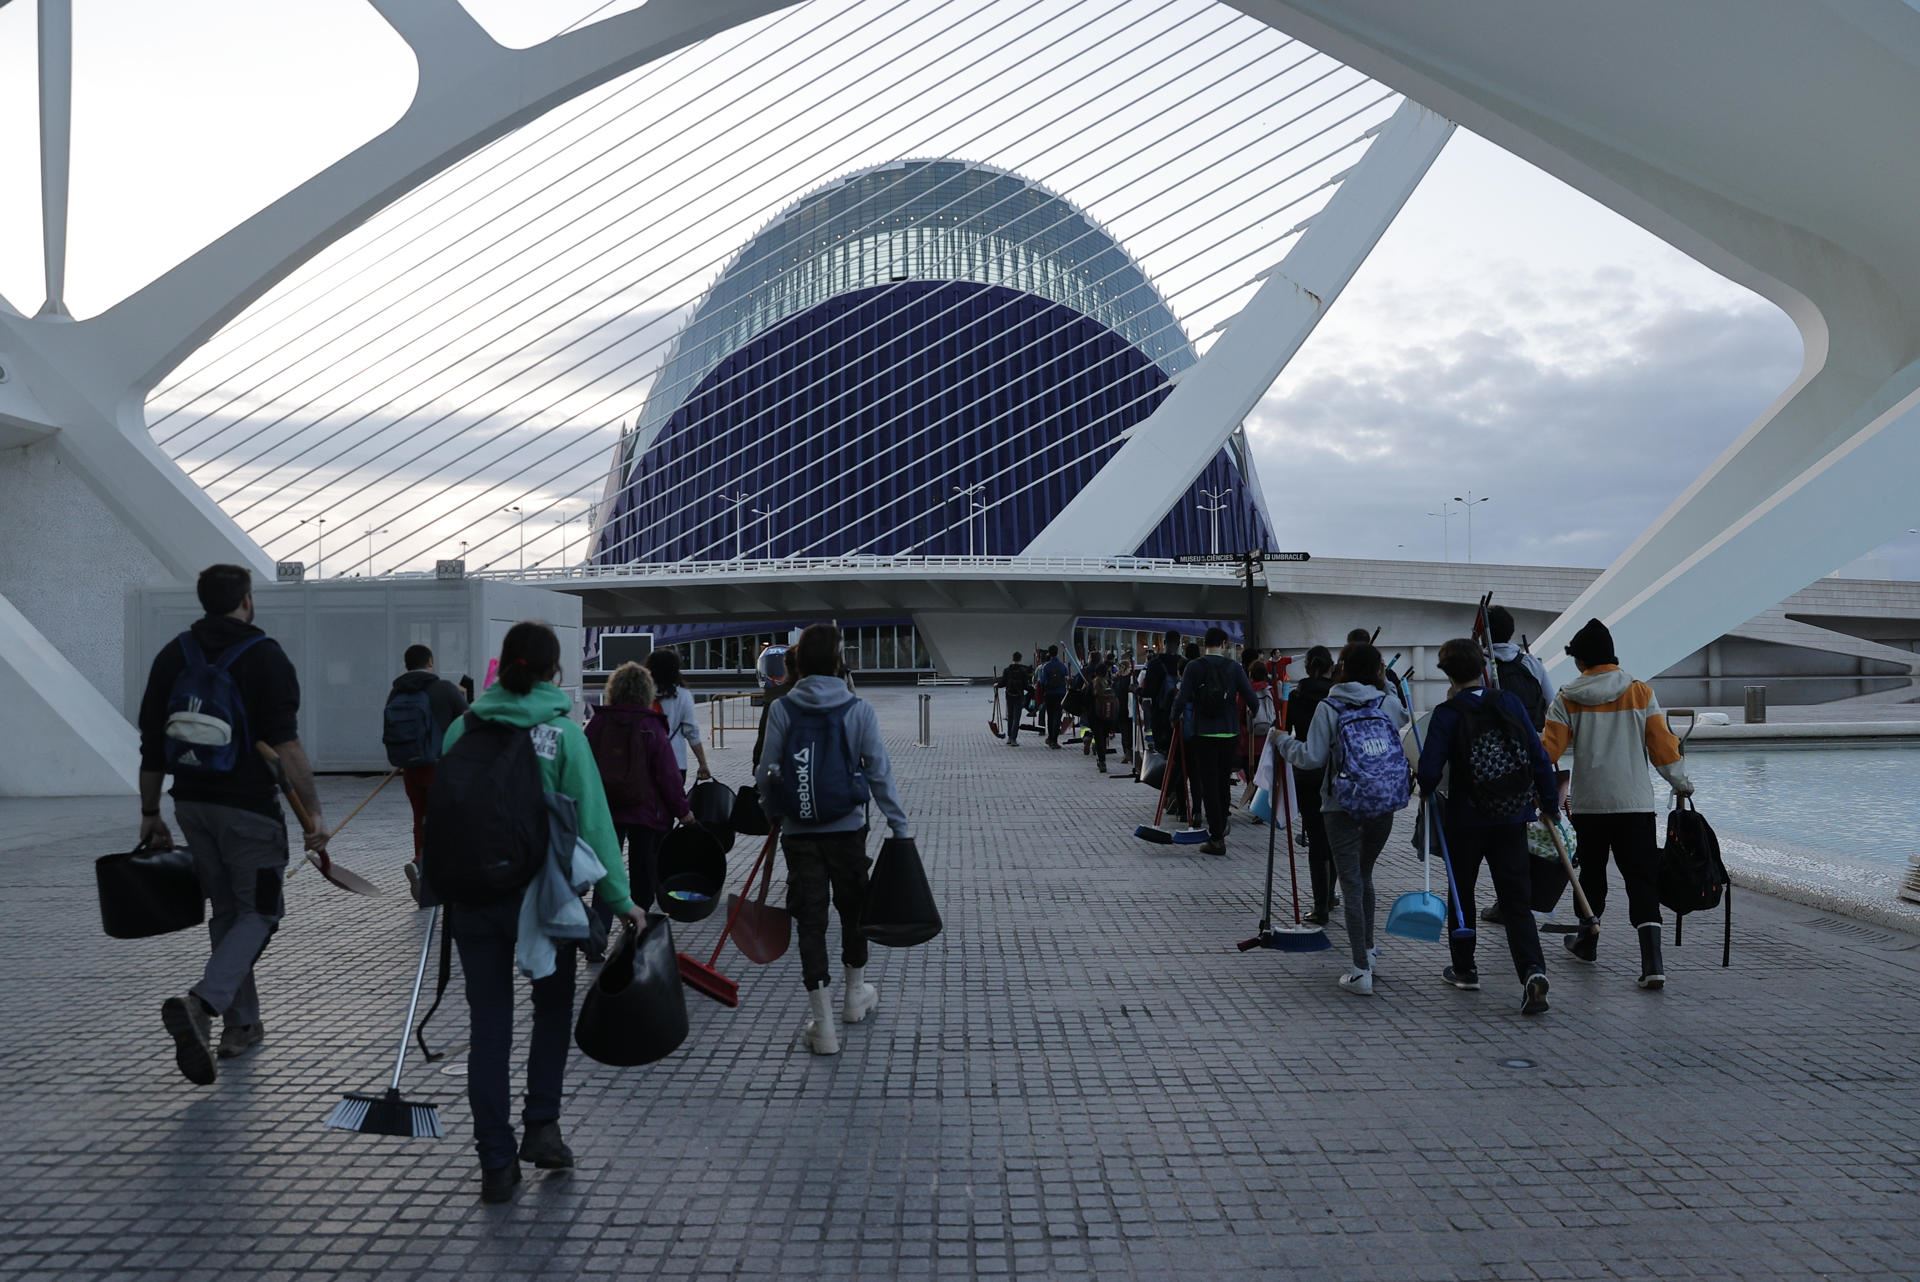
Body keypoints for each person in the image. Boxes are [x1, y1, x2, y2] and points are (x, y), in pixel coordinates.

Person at [438, 621, 640, 1202]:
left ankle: (496, 1163)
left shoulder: (461, 728)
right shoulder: (562, 735)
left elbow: (448, 813)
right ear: (555, 673)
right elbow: (596, 825)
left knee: (488, 1029)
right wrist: (621, 903)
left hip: (473, 899)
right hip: (544, 901)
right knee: (550, 1011)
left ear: (504, 665)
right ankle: (543, 1128)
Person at [136, 564, 326, 1083]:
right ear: (246, 600)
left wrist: (151, 812)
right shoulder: (264, 656)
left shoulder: (175, 654)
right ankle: (203, 1003)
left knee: (227, 911)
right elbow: (285, 745)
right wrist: (313, 816)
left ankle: (242, 1025)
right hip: (248, 811)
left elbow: (152, 741)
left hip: (192, 804)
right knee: (260, 912)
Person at [753, 623, 912, 1056]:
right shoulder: (857, 709)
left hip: (799, 832)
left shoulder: (785, 709)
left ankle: (822, 1025)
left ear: (800, 663)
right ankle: (854, 997)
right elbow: (879, 772)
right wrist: (900, 826)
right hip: (847, 829)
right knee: (853, 911)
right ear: (840, 662)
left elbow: (766, 771)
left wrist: (773, 812)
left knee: (811, 921)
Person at [1542, 618, 1694, 989]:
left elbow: (1548, 752)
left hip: (1591, 805)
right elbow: (1662, 747)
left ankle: (1587, 940)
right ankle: (1652, 963)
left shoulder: (1566, 697)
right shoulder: (1640, 692)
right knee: (1641, 878)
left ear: (1581, 661)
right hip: (1634, 804)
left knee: (1591, 875)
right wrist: (1682, 784)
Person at [1415, 639, 1560, 1014]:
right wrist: (1548, 803)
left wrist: (1424, 786)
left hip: (1466, 818)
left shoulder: (1448, 714)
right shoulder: (1509, 702)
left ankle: (1464, 969)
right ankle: (1531, 971)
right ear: (1482, 668)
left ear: (1448, 673)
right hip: (1512, 815)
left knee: (1461, 891)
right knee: (1516, 902)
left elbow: (1429, 771)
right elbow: (1539, 756)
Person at [1273, 643, 1410, 995]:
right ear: (1378, 668)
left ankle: (1360, 969)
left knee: (1349, 880)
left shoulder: (1329, 706)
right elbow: (1405, 721)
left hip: (1340, 804)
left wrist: (1280, 742)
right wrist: (1387, 682)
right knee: (1365, 876)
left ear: (1343, 668)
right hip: (1382, 803)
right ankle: (1368, 950)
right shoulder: (1387, 703)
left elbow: (1312, 758)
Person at [585, 661, 691, 939]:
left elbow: (584, 769)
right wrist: (684, 812)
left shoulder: (597, 723)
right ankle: (636, 931)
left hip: (607, 811)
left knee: (606, 873)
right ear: (646, 691)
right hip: (647, 814)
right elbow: (668, 775)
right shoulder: (650, 725)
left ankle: (598, 935)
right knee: (643, 873)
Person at [1480, 604, 1561, 927]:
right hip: (1531, 754)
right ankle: (1520, 897)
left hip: (1492, 761)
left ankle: (1508, 900)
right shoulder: (1531, 662)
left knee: (1501, 834)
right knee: (1524, 829)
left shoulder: (1482, 665)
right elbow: (1551, 703)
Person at [385, 644, 469, 902]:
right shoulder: (444, 689)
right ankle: (440, 873)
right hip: (441, 768)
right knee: (447, 821)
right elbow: (469, 721)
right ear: (430, 662)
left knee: (420, 818)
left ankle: (421, 863)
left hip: (410, 768)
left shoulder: (396, 691)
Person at [1172, 626, 1259, 856]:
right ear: (1223, 644)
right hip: (1229, 733)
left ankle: (1217, 836)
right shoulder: (1234, 668)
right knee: (1223, 780)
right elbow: (1252, 699)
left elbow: (1182, 698)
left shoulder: (1194, 667)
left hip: (1204, 733)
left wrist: (1174, 718)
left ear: (1205, 644)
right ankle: (1223, 822)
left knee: (1208, 783)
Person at [1286, 646, 1339, 925]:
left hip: (1307, 771)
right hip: (1336, 772)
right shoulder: (1337, 696)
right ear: (1331, 666)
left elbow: (1285, 728)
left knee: (1316, 836)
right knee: (1336, 836)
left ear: (1307, 668)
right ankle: (1331, 893)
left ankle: (1321, 905)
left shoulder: (1296, 696)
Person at [645, 648, 712, 785]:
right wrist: (702, 763)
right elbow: (692, 733)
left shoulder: (642, 694)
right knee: (673, 803)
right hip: (675, 761)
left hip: (644, 762)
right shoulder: (683, 696)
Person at [1035, 646, 1069, 748]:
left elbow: (1042, 681)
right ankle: (1055, 739)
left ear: (1049, 653)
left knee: (1050, 716)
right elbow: (1066, 678)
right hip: (1061, 694)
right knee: (1058, 716)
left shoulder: (1046, 667)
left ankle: (1050, 738)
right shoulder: (1063, 666)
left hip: (1049, 694)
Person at [997, 651, 1033, 746]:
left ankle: (1009, 737)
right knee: (1016, 718)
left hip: (1009, 696)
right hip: (1019, 696)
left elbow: (1003, 683)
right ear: (1020, 659)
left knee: (1010, 717)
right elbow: (1026, 686)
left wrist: (996, 685)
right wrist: (1032, 689)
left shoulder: (1007, 670)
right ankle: (1014, 739)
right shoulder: (1023, 671)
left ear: (1012, 658)